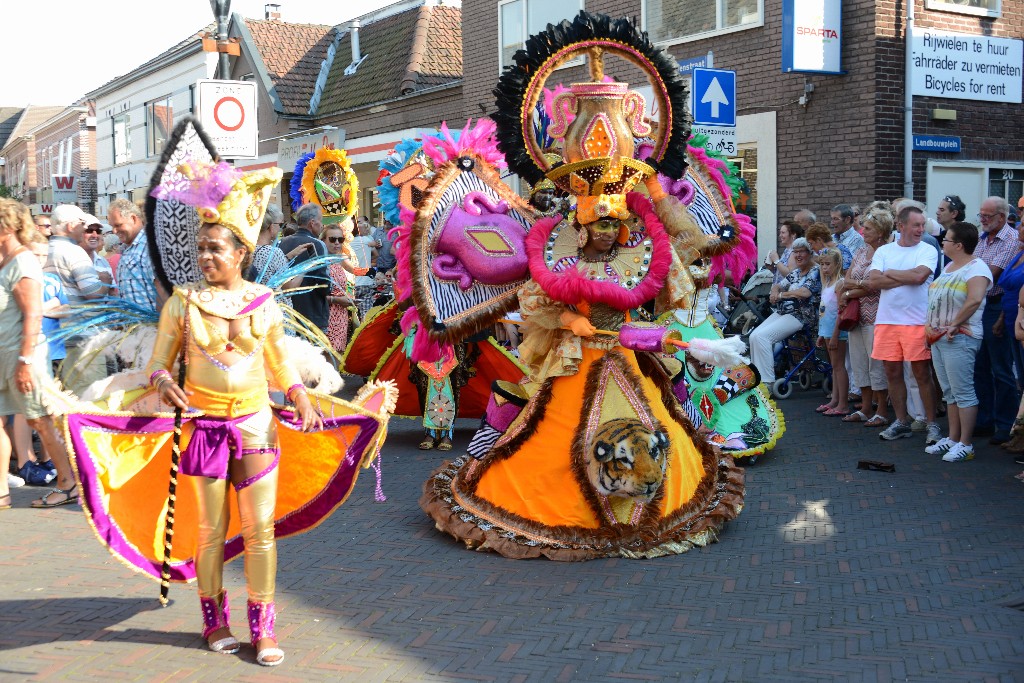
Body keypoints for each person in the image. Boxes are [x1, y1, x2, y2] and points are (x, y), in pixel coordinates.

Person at [0, 199, 76, 509]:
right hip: (4, 354)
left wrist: (24, 361)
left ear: (6, 226)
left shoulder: (23, 262)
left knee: (40, 420)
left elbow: (32, 314)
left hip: (21, 355)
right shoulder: (4, 261)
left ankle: (68, 483)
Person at [868, 205, 941, 444]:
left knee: (922, 373)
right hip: (887, 321)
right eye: (916, 225)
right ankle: (901, 421)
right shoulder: (884, 250)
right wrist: (904, 276)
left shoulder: (927, 249)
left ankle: (932, 423)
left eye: (922, 225)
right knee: (892, 372)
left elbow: (920, 278)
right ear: (901, 226)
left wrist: (890, 273)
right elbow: (874, 281)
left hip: (916, 321)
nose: (921, 229)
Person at [924, 221, 991, 462]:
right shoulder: (951, 265)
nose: (943, 242)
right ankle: (952, 439)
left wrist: (954, 324)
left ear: (959, 245)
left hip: (961, 337)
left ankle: (966, 444)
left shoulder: (977, 268)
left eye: (947, 239)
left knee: (963, 392)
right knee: (950, 393)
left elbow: (974, 300)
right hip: (939, 338)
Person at [46, 204, 111, 395]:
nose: (85, 229)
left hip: (56, 336)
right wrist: (105, 282)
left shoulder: (45, 249)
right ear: (70, 225)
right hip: (83, 336)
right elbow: (92, 292)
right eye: (82, 223)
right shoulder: (74, 252)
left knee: (63, 397)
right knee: (89, 396)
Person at [973, 196, 1020, 444]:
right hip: (980, 306)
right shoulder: (982, 240)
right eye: (980, 215)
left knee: (1001, 367)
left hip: (997, 306)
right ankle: (985, 420)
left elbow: (990, 274)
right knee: (980, 365)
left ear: (1002, 217)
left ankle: (1005, 424)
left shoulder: (1010, 240)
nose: (982, 220)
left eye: (987, 216)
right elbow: (972, 269)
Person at [838, 207, 891, 427]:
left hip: (876, 315)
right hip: (856, 315)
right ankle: (866, 408)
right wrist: (851, 288)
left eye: (868, 228)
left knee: (875, 364)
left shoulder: (887, 253)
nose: (863, 231)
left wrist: (850, 291)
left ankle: (882, 410)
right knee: (859, 362)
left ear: (880, 232)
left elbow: (875, 286)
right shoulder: (861, 251)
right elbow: (846, 278)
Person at [749, 238, 821, 385]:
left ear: (810, 253)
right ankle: (757, 379)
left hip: (802, 315)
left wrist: (781, 295)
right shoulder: (796, 272)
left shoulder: (816, 271)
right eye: (796, 252)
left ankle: (767, 382)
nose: (798, 255)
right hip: (785, 311)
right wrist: (774, 292)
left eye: (802, 251)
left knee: (763, 337)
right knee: (754, 336)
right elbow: (779, 284)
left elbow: (805, 292)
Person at [279, 204, 330, 331]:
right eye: (321, 221)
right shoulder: (317, 244)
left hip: (287, 314)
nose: (322, 225)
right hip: (312, 315)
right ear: (312, 223)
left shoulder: (282, 242)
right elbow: (323, 283)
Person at [247, 203, 307, 308]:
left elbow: (269, 269)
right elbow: (289, 288)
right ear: (271, 226)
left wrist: (288, 256)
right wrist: (305, 268)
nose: (281, 229)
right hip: (276, 313)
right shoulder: (273, 252)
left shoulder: (247, 250)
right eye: (281, 224)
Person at [814, 248, 850, 416]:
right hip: (827, 331)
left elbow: (840, 312)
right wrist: (822, 333)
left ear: (837, 264)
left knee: (839, 366)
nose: (824, 267)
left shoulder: (840, 283)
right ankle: (835, 400)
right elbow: (825, 311)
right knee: (834, 367)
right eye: (822, 264)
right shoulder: (827, 283)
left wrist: (835, 333)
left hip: (837, 332)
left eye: (828, 264)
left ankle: (843, 403)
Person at [108, 198, 160, 311]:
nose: (114, 231)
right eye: (112, 226)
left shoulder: (150, 247)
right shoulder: (128, 250)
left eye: (118, 225)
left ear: (133, 219)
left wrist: (163, 326)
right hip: (134, 325)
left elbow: (163, 293)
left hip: (151, 325)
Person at [996, 218, 1024, 389]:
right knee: (1020, 376)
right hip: (1010, 320)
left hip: (1022, 323)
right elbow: (1009, 292)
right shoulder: (1020, 253)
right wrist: (1001, 318)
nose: (1020, 228)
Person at [322, 223, 356, 353]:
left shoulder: (339, 257)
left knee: (338, 353)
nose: (337, 243)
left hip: (341, 313)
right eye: (332, 239)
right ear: (323, 240)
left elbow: (357, 271)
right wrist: (335, 300)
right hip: (326, 313)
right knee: (327, 354)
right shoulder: (318, 261)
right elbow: (312, 293)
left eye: (340, 239)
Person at [78, 214, 115, 288]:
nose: (95, 235)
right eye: (89, 231)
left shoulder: (103, 262)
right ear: (79, 233)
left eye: (98, 231)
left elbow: (113, 292)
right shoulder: (70, 259)